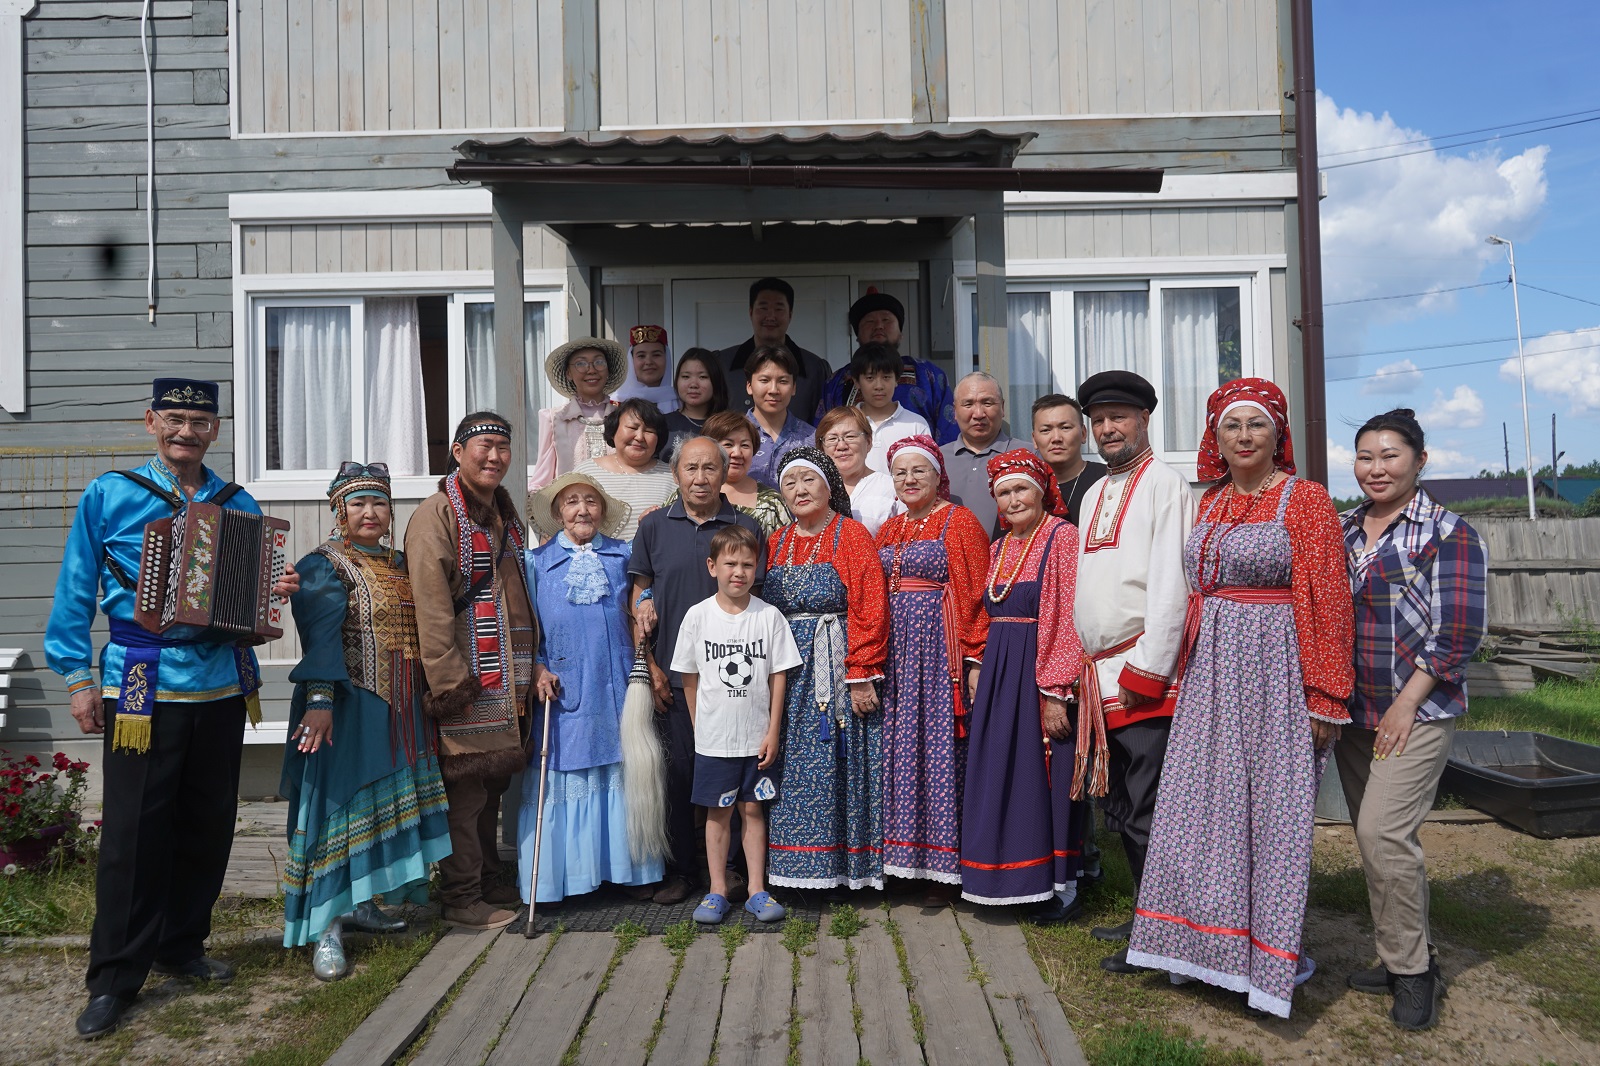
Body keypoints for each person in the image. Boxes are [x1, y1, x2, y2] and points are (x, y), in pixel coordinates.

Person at [46, 377, 300, 1040]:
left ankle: (181, 945)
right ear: (151, 421)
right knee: (133, 832)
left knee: (207, 823)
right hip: (139, 679)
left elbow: (255, 601)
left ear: (215, 430)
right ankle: (114, 977)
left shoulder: (236, 502)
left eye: (200, 421)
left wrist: (275, 588)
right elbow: (75, 589)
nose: (187, 431)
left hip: (221, 684)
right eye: (175, 419)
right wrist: (76, 678)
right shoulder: (111, 493)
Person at [1124, 379, 1353, 1018]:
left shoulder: (1305, 500)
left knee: (1271, 816)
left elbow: (1330, 599)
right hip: (1211, 672)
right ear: (1215, 438)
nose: (1244, 436)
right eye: (1232, 426)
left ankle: (1266, 961)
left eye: (1256, 425)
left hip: (1277, 668)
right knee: (1201, 808)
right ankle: (1199, 946)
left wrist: (1325, 693)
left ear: (1278, 435)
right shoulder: (1213, 501)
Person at [1338, 408, 1487, 1032]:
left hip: (1416, 711)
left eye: (1390, 455)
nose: (1376, 468)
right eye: (1365, 457)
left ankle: (1414, 972)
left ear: (1420, 461)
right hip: (1353, 710)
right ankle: (1403, 950)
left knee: (1383, 834)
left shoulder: (1448, 532)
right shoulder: (1344, 528)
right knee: (1375, 838)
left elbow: (1459, 633)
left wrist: (1406, 703)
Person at [280, 462, 450, 981]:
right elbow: (321, 638)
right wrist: (321, 701)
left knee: (379, 809)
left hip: (403, 709)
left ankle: (362, 902)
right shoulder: (322, 565)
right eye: (358, 503)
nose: (370, 512)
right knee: (341, 810)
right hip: (347, 706)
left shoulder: (401, 563)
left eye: (379, 503)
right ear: (339, 511)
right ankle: (326, 927)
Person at [1070, 371, 1196, 975]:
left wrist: (1150, 667)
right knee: (1122, 801)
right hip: (1100, 670)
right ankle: (1150, 919)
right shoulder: (1094, 491)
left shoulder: (1167, 485)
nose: (1107, 429)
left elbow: (1174, 583)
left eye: (1118, 417)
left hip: (1143, 671)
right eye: (1098, 420)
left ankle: (1166, 937)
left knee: (1151, 805)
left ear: (1145, 419)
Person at [405, 412, 534, 932]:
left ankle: (485, 876)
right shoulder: (438, 514)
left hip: (506, 675)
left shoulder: (501, 512)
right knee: (465, 790)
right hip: (467, 677)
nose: (494, 456)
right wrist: (449, 683)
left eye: (503, 447)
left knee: (491, 784)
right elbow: (432, 605)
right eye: (484, 445)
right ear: (457, 452)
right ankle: (460, 896)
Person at [630, 438, 769, 904]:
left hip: (735, 679)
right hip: (674, 676)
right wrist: (650, 666)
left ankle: (730, 871)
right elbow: (638, 599)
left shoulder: (745, 525)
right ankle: (683, 871)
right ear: (676, 474)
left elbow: (757, 601)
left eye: (710, 468)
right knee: (679, 774)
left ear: (724, 473)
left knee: (734, 778)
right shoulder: (653, 525)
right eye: (691, 468)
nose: (700, 477)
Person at [520, 472, 666, 904]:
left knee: (629, 768)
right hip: (564, 689)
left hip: (619, 683)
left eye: (591, 501)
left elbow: (642, 597)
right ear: (557, 513)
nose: (582, 510)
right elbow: (526, 628)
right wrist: (536, 669)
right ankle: (567, 880)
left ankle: (632, 872)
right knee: (567, 771)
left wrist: (647, 604)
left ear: (602, 510)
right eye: (571, 502)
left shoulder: (624, 556)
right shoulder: (536, 563)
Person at [960, 451, 1085, 921]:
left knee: (1047, 773)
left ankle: (1062, 885)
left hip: (1039, 667)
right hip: (999, 671)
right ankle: (1006, 878)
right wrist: (978, 665)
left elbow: (1067, 615)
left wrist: (1055, 690)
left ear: (1041, 492)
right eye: (1004, 493)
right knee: (1002, 770)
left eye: (1021, 490)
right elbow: (985, 611)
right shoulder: (999, 548)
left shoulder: (1061, 536)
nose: (1013, 500)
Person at [764, 449, 890, 891]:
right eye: (790, 482)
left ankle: (844, 869)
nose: (799, 490)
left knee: (836, 760)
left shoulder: (850, 534)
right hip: (787, 669)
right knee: (793, 763)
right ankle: (795, 869)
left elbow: (870, 605)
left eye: (808, 480)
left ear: (828, 486)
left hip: (835, 666)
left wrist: (861, 672)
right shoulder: (777, 541)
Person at [874, 435, 991, 901]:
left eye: (918, 470)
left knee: (939, 749)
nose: (909, 479)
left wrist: (973, 656)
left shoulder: (959, 521)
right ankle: (903, 860)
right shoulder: (888, 528)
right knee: (900, 749)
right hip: (896, 653)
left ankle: (943, 865)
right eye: (900, 472)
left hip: (940, 652)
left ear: (937, 474)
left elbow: (975, 592)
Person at [671, 524, 801, 925]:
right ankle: (717, 891)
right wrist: (700, 728)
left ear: (756, 567)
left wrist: (773, 731)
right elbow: (689, 677)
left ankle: (757, 889)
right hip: (715, 740)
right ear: (713, 566)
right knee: (718, 814)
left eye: (747, 564)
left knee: (753, 810)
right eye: (730, 564)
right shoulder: (697, 617)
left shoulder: (769, 617)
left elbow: (779, 675)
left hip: (756, 739)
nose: (739, 572)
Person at [817, 289, 959, 443]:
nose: (879, 326)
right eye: (870, 321)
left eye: (886, 320)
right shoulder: (837, 381)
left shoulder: (928, 374)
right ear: (857, 334)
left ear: (900, 332)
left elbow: (949, 431)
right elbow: (822, 434)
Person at [716, 277, 831, 420]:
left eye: (778, 309)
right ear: (751, 312)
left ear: (790, 315)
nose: (770, 316)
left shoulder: (814, 368)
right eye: (763, 308)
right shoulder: (722, 364)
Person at [570, 398, 676, 542]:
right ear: (614, 430)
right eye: (632, 428)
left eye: (649, 431)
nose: (639, 437)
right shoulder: (586, 473)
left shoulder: (672, 477)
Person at [530, 337, 628, 491]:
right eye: (580, 364)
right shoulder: (554, 418)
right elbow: (542, 479)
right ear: (568, 373)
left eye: (599, 362)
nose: (591, 370)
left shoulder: (624, 417)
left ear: (608, 370)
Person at [942, 373, 1029, 539]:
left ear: (1002, 407)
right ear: (954, 411)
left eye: (987, 403)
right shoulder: (936, 461)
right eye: (968, 404)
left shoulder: (1028, 456)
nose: (978, 413)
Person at [817, 406, 900, 537]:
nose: (841, 446)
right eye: (832, 439)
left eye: (850, 436)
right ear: (822, 448)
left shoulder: (892, 488)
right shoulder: (813, 490)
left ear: (868, 442)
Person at [849, 342, 931, 473]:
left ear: (897, 380)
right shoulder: (845, 424)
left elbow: (925, 473)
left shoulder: (916, 425)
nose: (879, 386)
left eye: (886, 377)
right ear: (857, 382)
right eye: (870, 378)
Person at [743, 347, 816, 486]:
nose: (773, 390)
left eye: (783, 381)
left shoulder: (811, 437)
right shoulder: (731, 435)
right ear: (749, 386)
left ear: (794, 387)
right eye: (764, 380)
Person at [1031, 394, 1107, 527]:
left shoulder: (1108, 480)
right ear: (1034, 440)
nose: (1056, 438)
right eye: (1046, 430)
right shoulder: (1024, 487)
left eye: (1065, 428)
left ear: (1083, 433)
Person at [662, 347, 730, 462]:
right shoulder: (662, 424)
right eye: (686, 377)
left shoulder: (729, 426)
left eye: (702, 377)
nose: (693, 384)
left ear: (716, 381)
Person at [614, 324, 680, 412]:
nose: (649, 362)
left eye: (656, 355)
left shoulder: (682, 404)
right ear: (631, 360)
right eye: (641, 356)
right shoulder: (615, 405)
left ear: (666, 358)